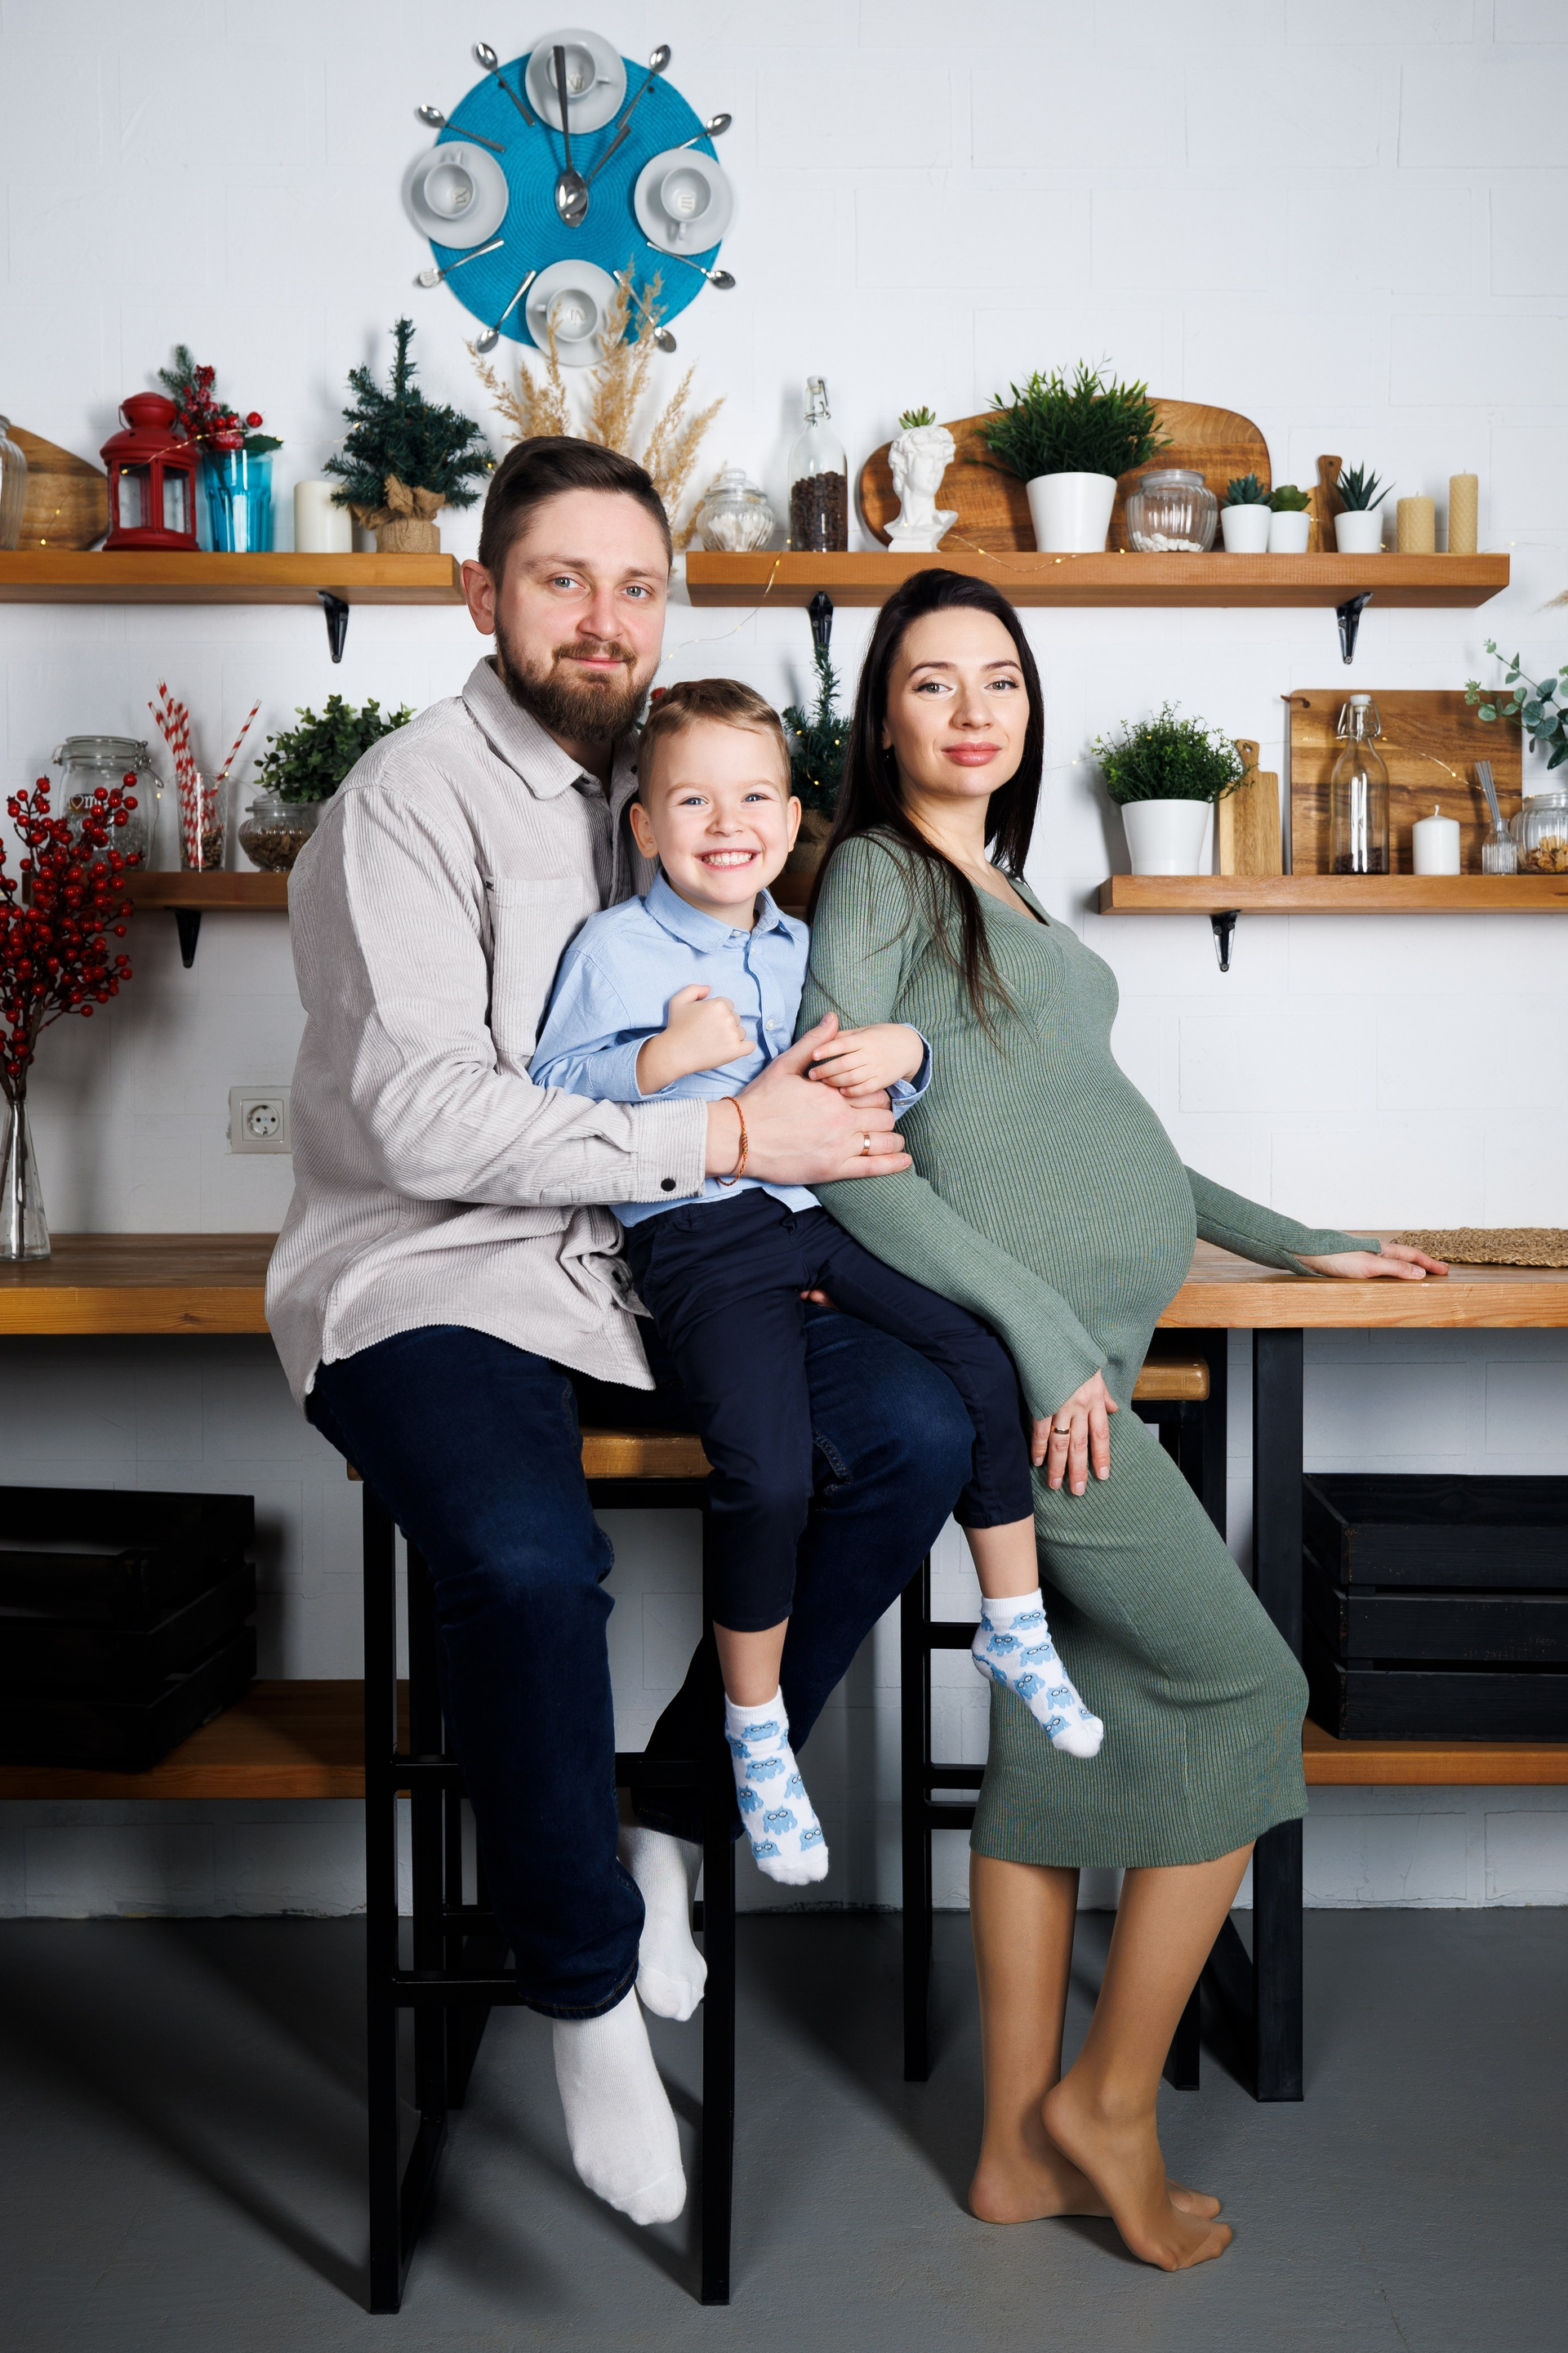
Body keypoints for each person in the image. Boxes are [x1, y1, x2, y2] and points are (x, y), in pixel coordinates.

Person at [265, 441, 980, 2233]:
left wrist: (865, 1082)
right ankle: (582, 1991)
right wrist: (731, 1128)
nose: (606, 619)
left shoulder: (673, 790)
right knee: (523, 1563)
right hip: (436, 1270)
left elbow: (826, 1008)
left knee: (913, 1433)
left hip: (654, 1265)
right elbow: (425, 1116)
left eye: (639, 585)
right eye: (563, 580)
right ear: (480, 595)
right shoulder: (410, 802)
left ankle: (677, 1796)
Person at [798, 566, 1448, 2272]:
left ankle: (1015, 2153)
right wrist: (1039, 1339)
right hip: (1044, 1382)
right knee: (1251, 1686)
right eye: (932, 682)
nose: (972, 711)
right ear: (882, 718)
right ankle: (1108, 2102)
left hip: (1080, 1357)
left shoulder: (1003, 892)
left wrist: (1304, 1238)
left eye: (999, 680)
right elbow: (841, 1147)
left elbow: (1103, 1126)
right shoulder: (876, 874)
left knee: (1053, 1740)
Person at [530, 678, 1102, 1890]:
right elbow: (554, 1087)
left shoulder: (798, 946)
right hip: (699, 1238)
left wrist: (911, 1054)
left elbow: (859, 1070)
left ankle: (1015, 1628)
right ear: (644, 825)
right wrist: (659, 1058)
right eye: (693, 801)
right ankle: (753, 1733)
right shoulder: (615, 947)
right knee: (771, 1470)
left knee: (978, 1353)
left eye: (754, 800)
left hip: (817, 1219)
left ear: (792, 824)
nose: (726, 824)